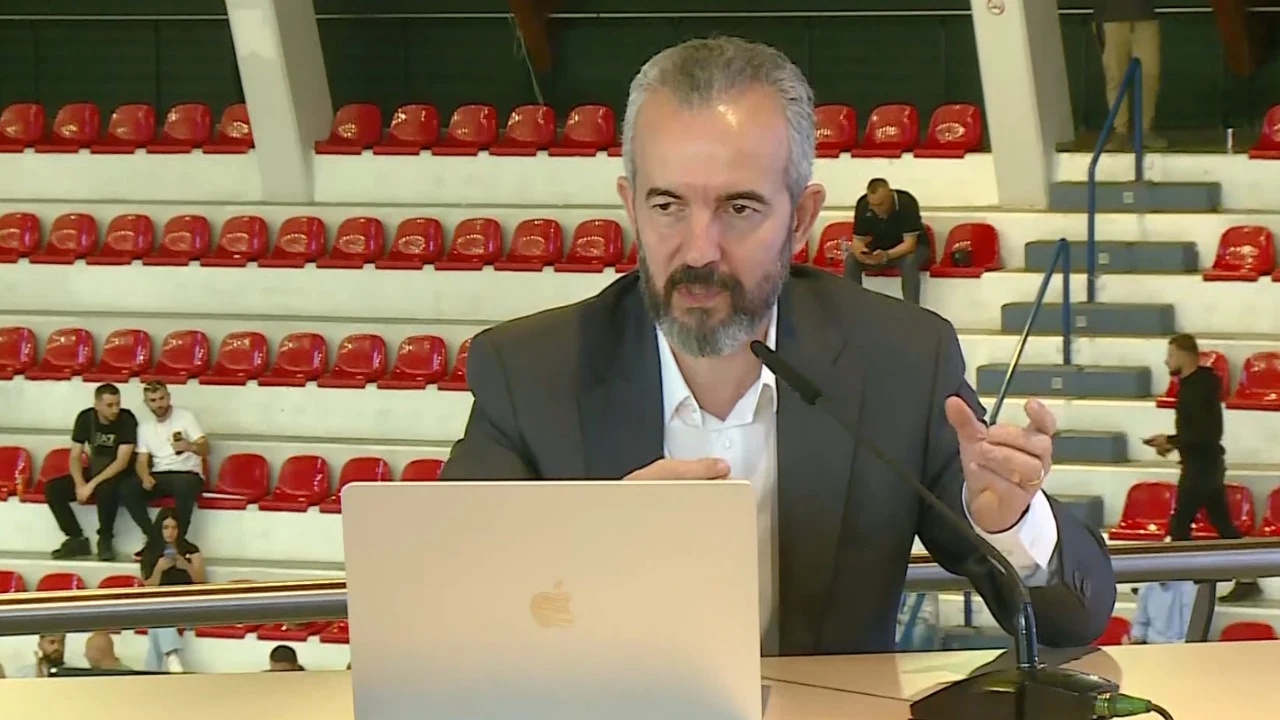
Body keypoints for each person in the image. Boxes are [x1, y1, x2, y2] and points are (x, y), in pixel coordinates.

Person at [440, 36, 1116, 656]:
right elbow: (445, 610)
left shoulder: (900, 360)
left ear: (801, 218)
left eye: (739, 209)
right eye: (667, 206)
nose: (698, 250)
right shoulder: (528, 372)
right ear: (630, 204)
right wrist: (587, 548)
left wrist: (1012, 522)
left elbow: (1074, 620)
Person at [1144, 334, 1260, 603]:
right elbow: (1200, 432)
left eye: (1171, 355)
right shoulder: (1194, 385)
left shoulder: (1197, 388)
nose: (1166, 361)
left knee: (1180, 523)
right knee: (1222, 524)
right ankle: (1246, 577)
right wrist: (1172, 443)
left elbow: (1207, 434)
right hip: (1205, 464)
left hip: (1201, 467)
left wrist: (1171, 441)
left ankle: (1173, 583)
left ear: (1184, 355)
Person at [46, 383, 141, 562]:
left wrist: (90, 485)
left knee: (106, 488)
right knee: (53, 489)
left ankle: (105, 538)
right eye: (109, 405)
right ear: (97, 405)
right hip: (96, 468)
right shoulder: (85, 418)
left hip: (120, 473)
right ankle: (76, 538)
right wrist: (79, 483)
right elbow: (75, 455)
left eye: (118, 404)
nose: (115, 409)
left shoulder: (127, 419)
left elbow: (121, 462)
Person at [122, 381, 209, 558]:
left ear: (169, 397)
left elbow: (206, 449)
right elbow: (141, 461)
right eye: (153, 400)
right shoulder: (145, 427)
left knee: (184, 487)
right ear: (147, 403)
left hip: (187, 473)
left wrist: (189, 446)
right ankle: (154, 538)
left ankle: (178, 541)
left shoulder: (185, 417)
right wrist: (145, 476)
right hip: (160, 474)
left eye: (162, 398)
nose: (159, 404)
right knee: (127, 488)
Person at [843, 178, 930, 305]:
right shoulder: (863, 204)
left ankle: (911, 309)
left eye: (880, 204)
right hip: (879, 249)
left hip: (912, 249)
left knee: (909, 262)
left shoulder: (906, 203)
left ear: (890, 196)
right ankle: (852, 306)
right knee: (851, 260)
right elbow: (857, 241)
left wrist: (886, 255)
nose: (876, 209)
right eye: (872, 205)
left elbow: (910, 244)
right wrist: (863, 255)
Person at [139, 508, 205, 672]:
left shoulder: (191, 551)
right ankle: (171, 656)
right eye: (166, 528)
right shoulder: (149, 552)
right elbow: (148, 588)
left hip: (187, 605)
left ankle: (153, 669)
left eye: (174, 528)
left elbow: (201, 583)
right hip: (161, 604)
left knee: (157, 621)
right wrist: (158, 570)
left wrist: (187, 566)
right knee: (159, 617)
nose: (170, 532)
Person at [1094, 0, 1166, 149]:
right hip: (1110, 17)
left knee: (1150, 74)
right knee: (1115, 76)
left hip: (1145, 16)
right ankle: (1120, 131)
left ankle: (1145, 129)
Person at [1123, 581, 1195, 644]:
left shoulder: (1187, 589)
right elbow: (1141, 624)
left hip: (1177, 646)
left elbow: (1190, 631)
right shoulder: (1146, 589)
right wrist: (1134, 639)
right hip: (1151, 645)